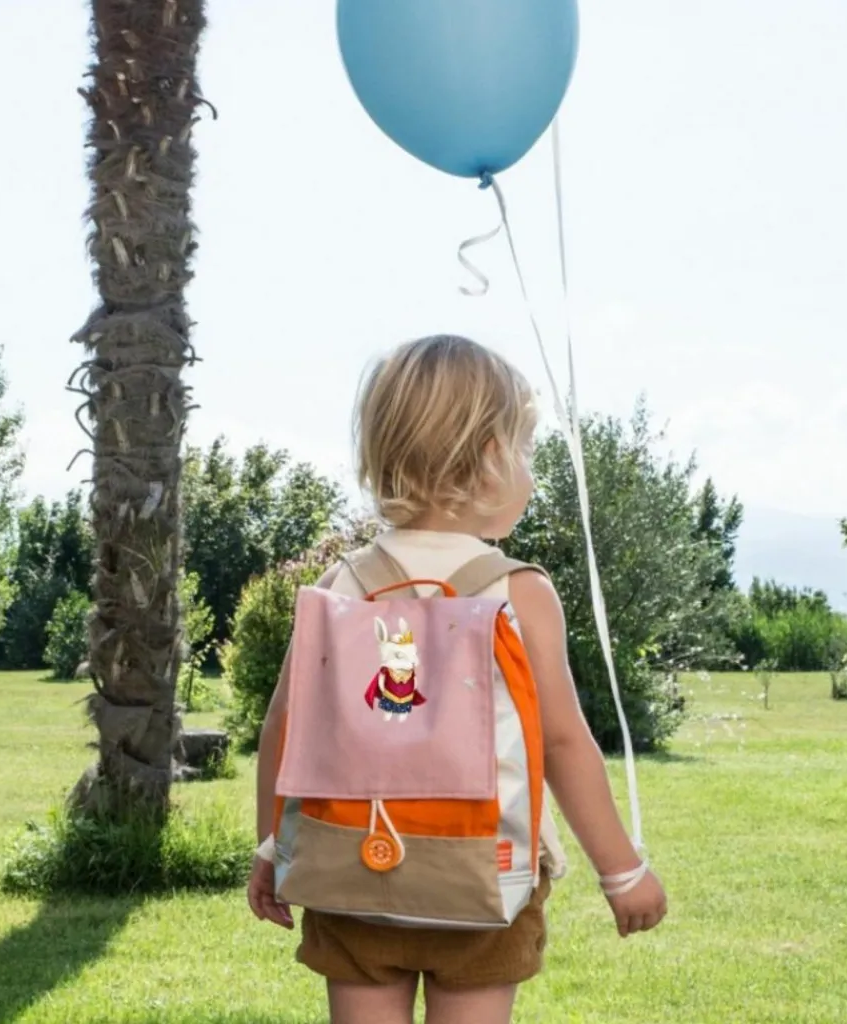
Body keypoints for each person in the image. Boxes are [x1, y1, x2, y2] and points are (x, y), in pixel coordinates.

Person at [248, 335, 668, 1024]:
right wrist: (622, 871)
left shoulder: (339, 585)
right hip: (483, 882)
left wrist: (272, 845)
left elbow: (283, 729)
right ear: (490, 462)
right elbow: (562, 744)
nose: (531, 473)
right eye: (525, 452)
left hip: (348, 870)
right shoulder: (518, 592)